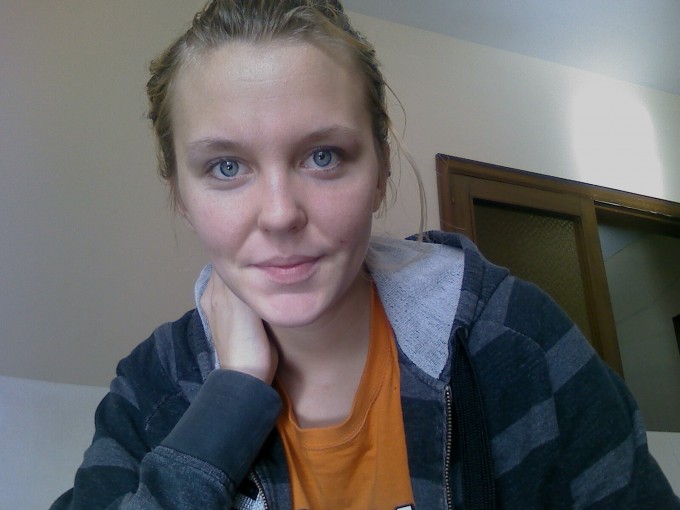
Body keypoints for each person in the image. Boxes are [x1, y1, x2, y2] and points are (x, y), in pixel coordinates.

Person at [52, 1, 679, 509]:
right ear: (181, 195)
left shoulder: (516, 340)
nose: (280, 214)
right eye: (226, 167)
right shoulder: (152, 389)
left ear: (380, 172)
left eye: (323, 156)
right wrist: (231, 397)